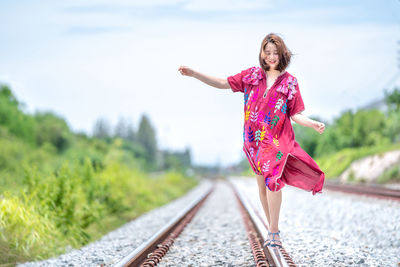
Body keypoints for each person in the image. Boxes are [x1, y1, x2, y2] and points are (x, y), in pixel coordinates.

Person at [178, 33, 325, 249]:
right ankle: (271, 228)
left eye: (276, 53)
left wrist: (312, 123)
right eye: (268, 53)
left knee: (274, 180)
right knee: (263, 187)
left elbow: (295, 114)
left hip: (277, 141)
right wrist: (194, 74)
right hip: (254, 141)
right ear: (262, 54)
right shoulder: (251, 76)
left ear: (282, 54)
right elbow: (222, 83)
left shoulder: (290, 83)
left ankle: (274, 231)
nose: (272, 57)